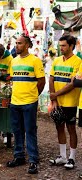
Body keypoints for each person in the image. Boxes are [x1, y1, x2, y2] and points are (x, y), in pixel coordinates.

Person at [6, 34, 45, 174]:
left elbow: (41, 81)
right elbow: (13, 80)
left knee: (30, 131)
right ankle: (19, 156)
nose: (17, 45)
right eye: (16, 43)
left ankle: (33, 160)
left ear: (27, 45)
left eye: (20, 43)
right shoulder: (14, 61)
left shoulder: (35, 61)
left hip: (29, 102)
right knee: (17, 131)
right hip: (15, 102)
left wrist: (34, 96)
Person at [48, 35, 81, 169]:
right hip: (57, 102)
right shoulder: (56, 60)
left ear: (71, 46)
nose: (60, 48)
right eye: (60, 45)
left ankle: (72, 158)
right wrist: (54, 98)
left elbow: (72, 84)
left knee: (71, 129)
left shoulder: (78, 61)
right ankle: (62, 157)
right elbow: (51, 78)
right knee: (59, 128)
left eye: (63, 46)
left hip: (70, 102)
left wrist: (55, 94)